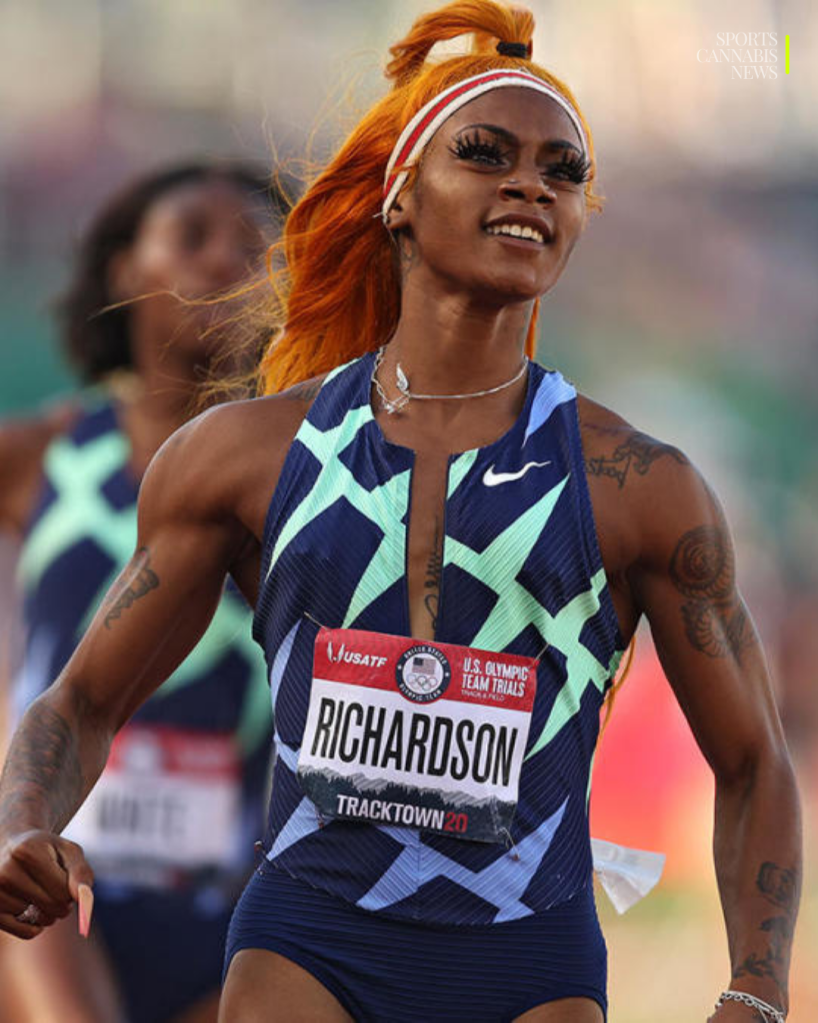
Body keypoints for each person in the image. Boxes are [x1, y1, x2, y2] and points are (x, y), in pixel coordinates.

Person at [0, 4, 802, 1022]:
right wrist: (23, 820)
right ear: (400, 198)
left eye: (563, 171)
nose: (531, 184)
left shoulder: (639, 486)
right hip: (309, 943)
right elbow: (80, 701)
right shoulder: (245, 455)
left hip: (528, 959)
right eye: (485, 152)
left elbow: (752, 762)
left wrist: (757, 988)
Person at [0, 162, 284, 1022]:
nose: (226, 262)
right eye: (193, 236)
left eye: (257, 250)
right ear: (124, 268)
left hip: (237, 905)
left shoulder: (311, 477)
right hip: (51, 894)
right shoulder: (46, 454)